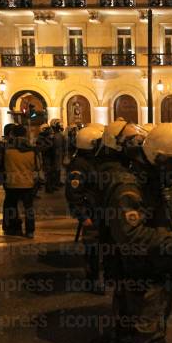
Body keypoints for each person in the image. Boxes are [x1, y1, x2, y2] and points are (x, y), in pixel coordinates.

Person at [104, 122, 172, 343]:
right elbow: (130, 234)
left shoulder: (150, 177)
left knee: (155, 342)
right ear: (158, 158)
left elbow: (151, 218)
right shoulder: (129, 185)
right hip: (142, 276)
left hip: (156, 270)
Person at [65, 125, 105, 293]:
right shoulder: (79, 165)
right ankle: (92, 280)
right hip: (90, 214)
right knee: (92, 250)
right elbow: (73, 194)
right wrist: (82, 216)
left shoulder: (92, 161)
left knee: (101, 247)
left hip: (100, 212)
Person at [4, 124, 39, 238]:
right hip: (28, 184)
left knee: (11, 206)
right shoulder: (32, 151)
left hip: (11, 184)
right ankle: (30, 231)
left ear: (13, 134)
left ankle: (13, 229)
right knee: (28, 208)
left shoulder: (7, 151)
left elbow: (1, 165)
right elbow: (37, 167)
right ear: (25, 134)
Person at [36, 123, 55, 193]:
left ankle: (51, 186)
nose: (49, 130)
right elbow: (42, 148)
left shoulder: (48, 137)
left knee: (51, 172)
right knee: (47, 173)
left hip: (50, 156)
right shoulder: (40, 138)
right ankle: (48, 187)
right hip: (45, 157)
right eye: (47, 129)